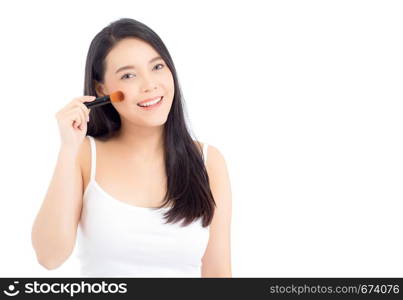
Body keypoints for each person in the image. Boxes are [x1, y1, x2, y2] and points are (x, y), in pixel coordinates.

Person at [31, 18, 232, 277]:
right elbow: (49, 257)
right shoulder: (83, 156)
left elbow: (218, 274)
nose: (149, 85)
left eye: (157, 67)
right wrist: (67, 150)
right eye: (128, 75)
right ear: (102, 89)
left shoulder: (208, 161)